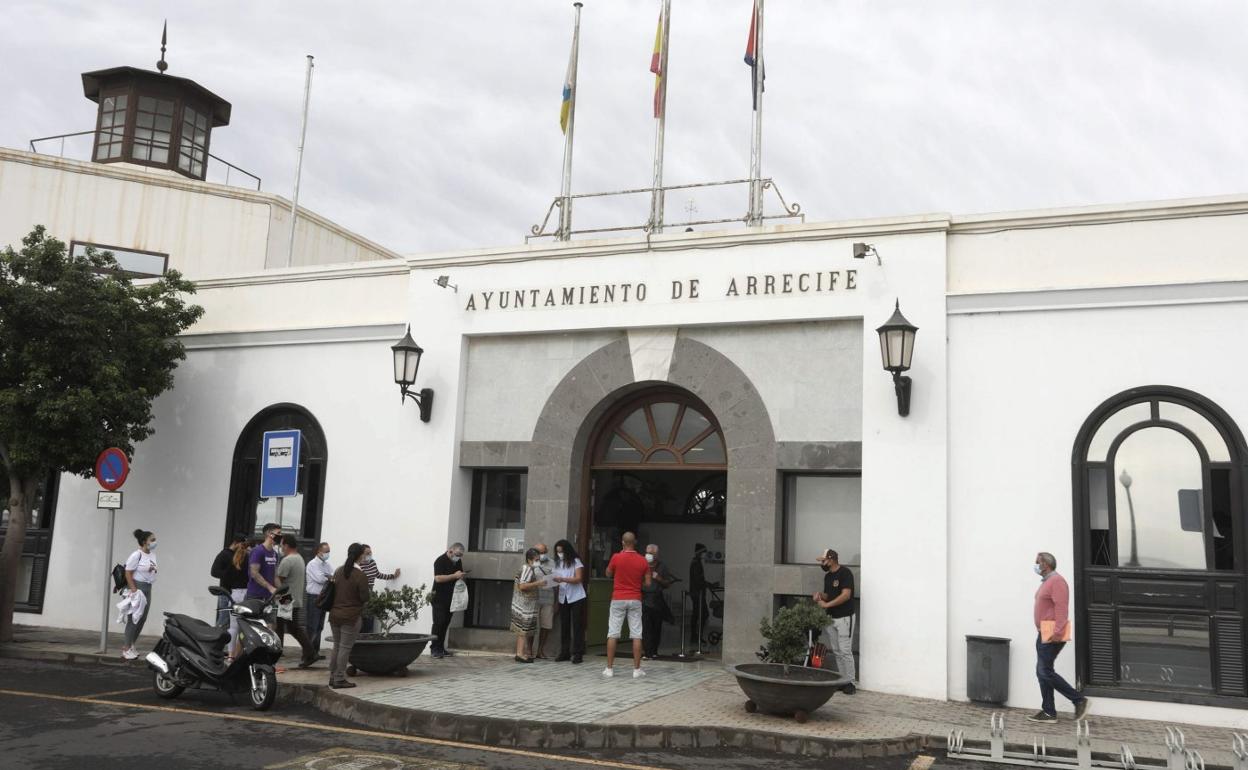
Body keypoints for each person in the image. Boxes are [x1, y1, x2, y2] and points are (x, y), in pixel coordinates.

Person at [1030, 552, 1091, 723]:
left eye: (1037, 562)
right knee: (1042, 672)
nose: (1035, 565)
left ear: (1045, 565)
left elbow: (1061, 608)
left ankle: (1079, 700)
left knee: (1044, 671)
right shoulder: (1048, 582)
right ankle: (1049, 712)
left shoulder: (1057, 581)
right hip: (1044, 631)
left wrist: (1057, 632)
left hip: (1052, 631)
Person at [603, 531, 651, 679]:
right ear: (635, 542)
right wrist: (638, 582)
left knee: (613, 633)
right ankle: (636, 670)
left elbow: (608, 574)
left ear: (623, 543)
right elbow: (648, 584)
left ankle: (609, 669)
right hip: (635, 598)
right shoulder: (643, 561)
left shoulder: (616, 557)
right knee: (636, 634)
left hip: (618, 597)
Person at [812, 548, 857, 694]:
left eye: (824, 560)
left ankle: (850, 682)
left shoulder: (845, 573)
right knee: (837, 651)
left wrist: (826, 605)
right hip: (831, 618)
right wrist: (820, 595)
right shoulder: (828, 577)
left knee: (845, 651)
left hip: (844, 617)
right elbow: (829, 595)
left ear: (831, 559)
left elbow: (846, 595)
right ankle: (842, 680)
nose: (823, 563)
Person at [328, 542, 370, 689]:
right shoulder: (360, 575)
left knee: (337, 646)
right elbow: (365, 597)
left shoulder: (338, 571)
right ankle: (339, 678)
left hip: (334, 615)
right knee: (345, 648)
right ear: (360, 555)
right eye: (365, 554)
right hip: (351, 617)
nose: (366, 557)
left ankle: (333, 677)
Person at [275, 535, 316, 668]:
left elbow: (278, 580)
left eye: (282, 545)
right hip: (295, 598)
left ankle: (310, 652)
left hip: (286, 599)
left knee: (290, 628)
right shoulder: (299, 558)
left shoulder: (287, 560)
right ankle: (309, 653)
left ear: (286, 545)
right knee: (287, 627)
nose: (281, 548)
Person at [120, 528, 158, 660]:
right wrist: (134, 590)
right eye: (152, 540)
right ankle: (125, 648)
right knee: (133, 619)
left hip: (148, 588)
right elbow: (128, 572)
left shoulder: (152, 555)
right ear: (144, 542)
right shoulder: (136, 555)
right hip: (137, 588)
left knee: (142, 618)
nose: (155, 542)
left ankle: (131, 644)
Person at [552, 539, 587, 664]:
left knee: (577, 625)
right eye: (557, 552)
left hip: (576, 596)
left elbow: (578, 578)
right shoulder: (557, 563)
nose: (559, 554)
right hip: (563, 596)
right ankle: (564, 651)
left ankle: (578, 652)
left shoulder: (575, 561)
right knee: (564, 625)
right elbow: (555, 578)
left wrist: (562, 579)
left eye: (561, 551)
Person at [430, 543, 465, 658]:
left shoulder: (457, 561)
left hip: (451, 598)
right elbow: (438, 578)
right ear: (450, 551)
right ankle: (434, 648)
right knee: (438, 623)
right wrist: (454, 576)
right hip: (439, 598)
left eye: (460, 555)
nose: (458, 557)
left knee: (445, 623)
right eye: (457, 554)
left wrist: (460, 575)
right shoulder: (440, 560)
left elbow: (458, 574)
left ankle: (441, 647)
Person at [511, 548, 546, 663]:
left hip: (523, 603)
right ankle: (520, 654)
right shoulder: (527, 569)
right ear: (529, 560)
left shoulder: (528, 568)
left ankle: (520, 652)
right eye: (536, 560)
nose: (538, 562)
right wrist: (538, 583)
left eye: (538, 560)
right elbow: (523, 586)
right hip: (524, 605)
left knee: (523, 629)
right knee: (523, 629)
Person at [641, 544, 676, 660]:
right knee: (646, 627)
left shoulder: (662, 567)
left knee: (656, 626)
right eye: (647, 552)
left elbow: (668, 583)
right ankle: (647, 652)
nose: (648, 555)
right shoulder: (642, 564)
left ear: (656, 555)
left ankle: (654, 651)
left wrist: (658, 578)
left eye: (651, 553)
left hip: (657, 599)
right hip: (644, 598)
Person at [357, 543, 400, 634]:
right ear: (361, 554)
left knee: (369, 618)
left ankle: (367, 639)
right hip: (360, 593)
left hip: (370, 592)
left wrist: (393, 576)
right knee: (361, 619)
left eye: (370, 553)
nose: (369, 555)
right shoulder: (358, 565)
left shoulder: (372, 562)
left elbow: (378, 574)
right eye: (367, 553)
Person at [210, 533, 248, 628]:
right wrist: (229, 574)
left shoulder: (241, 555)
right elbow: (214, 572)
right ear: (236, 543)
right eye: (242, 544)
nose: (243, 547)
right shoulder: (224, 554)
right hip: (225, 592)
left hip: (237, 592)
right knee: (224, 619)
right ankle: (215, 637)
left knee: (232, 621)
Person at [305, 541, 334, 657]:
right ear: (319, 552)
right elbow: (320, 579)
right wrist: (328, 577)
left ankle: (315, 652)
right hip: (314, 597)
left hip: (323, 598)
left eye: (329, 551)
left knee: (319, 626)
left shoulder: (326, 564)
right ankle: (308, 654)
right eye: (326, 551)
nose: (328, 553)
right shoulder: (312, 564)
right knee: (312, 625)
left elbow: (333, 575)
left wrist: (328, 576)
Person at [245, 523, 283, 601]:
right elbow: (254, 573)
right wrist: (271, 588)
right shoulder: (258, 551)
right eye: (278, 533)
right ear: (270, 534)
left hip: (268, 597)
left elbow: (275, 576)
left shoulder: (274, 554)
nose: (281, 535)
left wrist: (281, 592)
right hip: (255, 596)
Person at [532, 542, 557, 658]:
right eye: (540, 553)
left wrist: (556, 602)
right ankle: (529, 650)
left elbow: (556, 581)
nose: (542, 555)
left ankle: (540, 650)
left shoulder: (552, 563)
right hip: (534, 599)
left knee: (546, 626)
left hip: (548, 599)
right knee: (531, 626)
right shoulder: (531, 562)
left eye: (544, 552)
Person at [689, 543, 711, 645]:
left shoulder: (696, 562)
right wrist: (709, 584)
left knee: (697, 615)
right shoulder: (696, 563)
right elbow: (698, 580)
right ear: (700, 553)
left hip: (697, 593)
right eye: (704, 552)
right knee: (702, 614)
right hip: (698, 594)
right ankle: (696, 636)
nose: (705, 554)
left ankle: (695, 636)